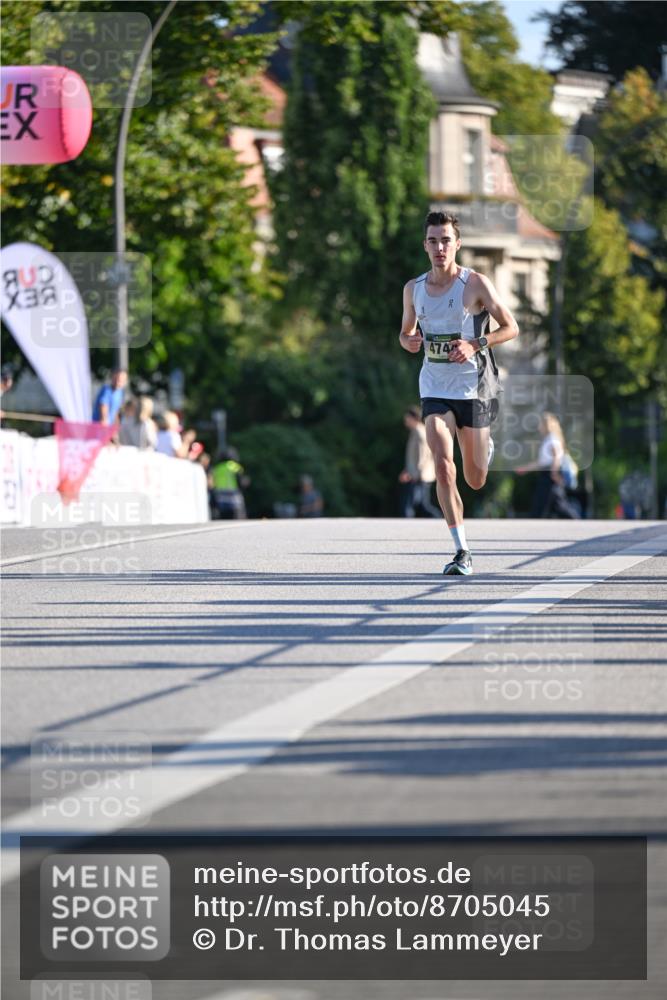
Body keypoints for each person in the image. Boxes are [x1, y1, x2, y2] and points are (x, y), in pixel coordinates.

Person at [399, 211, 518, 575]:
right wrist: (410, 341)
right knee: (442, 465)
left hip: (475, 387)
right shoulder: (414, 289)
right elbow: (405, 334)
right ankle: (461, 550)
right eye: (433, 241)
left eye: (446, 240)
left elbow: (510, 327)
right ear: (425, 245)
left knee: (476, 479)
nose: (439, 247)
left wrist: (475, 343)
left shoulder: (475, 284)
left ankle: (485, 446)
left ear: (457, 244)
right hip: (434, 386)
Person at [516, 412, 580, 519]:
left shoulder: (552, 439)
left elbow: (557, 456)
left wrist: (554, 473)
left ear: (546, 425)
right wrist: (525, 468)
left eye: (541, 424)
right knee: (557, 504)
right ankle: (574, 519)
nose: (539, 427)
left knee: (548, 503)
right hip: (547, 474)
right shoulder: (548, 439)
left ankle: (575, 519)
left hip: (549, 475)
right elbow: (541, 462)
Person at [399, 406, 440, 518]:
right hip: (420, 474)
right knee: (422, 505)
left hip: (419, 475)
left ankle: (440, 520)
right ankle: (440, 520)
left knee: (410, 505)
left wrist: (412, 473)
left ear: (413, 418)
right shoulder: (420, 430)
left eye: (407, 417)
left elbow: (422, 456)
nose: (405, 420)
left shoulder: (418, 432)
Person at [211, 447, 247, 519]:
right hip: (233, 493)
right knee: (237, 512)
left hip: (220, 493)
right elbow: (240, 478)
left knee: (224, 514)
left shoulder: (217, 468)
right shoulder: (233, 466)